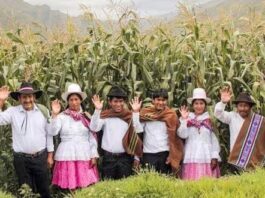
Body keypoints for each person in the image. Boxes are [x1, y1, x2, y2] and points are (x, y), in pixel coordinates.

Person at [0, 82, 54, 198]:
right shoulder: (13, 112)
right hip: (21, 160)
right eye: (24, 97)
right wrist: (1, 101)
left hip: (41, 158)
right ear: (19, 98)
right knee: (26, 191)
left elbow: (49, 134)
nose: (27, 100)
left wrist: (50, 155)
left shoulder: (43, 111)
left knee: (44, 190)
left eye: (30, 96)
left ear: (34, 97)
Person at [48, 83, 99, 189]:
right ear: (68, 101)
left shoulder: (86, 116)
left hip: (84, 154)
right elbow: (53, 132)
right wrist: (54, 115)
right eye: (71, 100)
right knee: (71, 186)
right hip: (67, 154)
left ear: (80, 100)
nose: (74, 102)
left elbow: (92, 134)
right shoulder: (61, 116)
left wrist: (93, 155)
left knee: (85, 185)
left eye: (76, 99)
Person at [90, 86, 143, 180]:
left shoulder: (129, 116)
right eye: (115, 101)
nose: (118, 104)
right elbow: (94, 128)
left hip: (125, 158)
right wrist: (97, 110)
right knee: (108, 186)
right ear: (110, 102)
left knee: (124, 187)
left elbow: (138, 130)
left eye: (121, 101)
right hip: (108, 158)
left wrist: (135, 112)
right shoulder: (105, 115)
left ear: (124, 102)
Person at [131, 89, 183, 175]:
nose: (161, 102)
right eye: (158, 99)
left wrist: (172, 154)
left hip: (165, 154)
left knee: (165, 183)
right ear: (153, 101)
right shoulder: (146, 113)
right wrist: (136, 112)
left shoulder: (170, 115)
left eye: (163, 100)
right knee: (149, 182)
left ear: (167, 101)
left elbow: (175, 138)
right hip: (149, 154)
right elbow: (138, 130)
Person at [214, 87, 265, 171]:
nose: (242, 108)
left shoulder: (258, 121)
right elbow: (218, 113)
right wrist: (223, 102)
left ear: (250, 107)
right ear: (237, 107)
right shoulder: (232, 117)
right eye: (240, 106)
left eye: (245, 106)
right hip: (236, 158)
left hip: (253, 159)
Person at [178, 88, 221, 180]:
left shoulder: (209, 120)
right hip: (191, 156)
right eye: (196, 103)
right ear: (192, 105)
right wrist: (184, 121)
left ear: (205, 105)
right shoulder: (188, 119)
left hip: (206, 156)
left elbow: (214, 140)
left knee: (207, 185)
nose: (199, 106)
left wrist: (214, 156)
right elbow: (182, 135)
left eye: (201, 103)